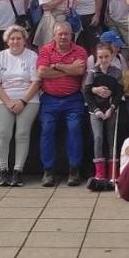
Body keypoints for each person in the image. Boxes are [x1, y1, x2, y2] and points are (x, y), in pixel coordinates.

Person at [37, 21, 87, 187]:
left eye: (67, 34)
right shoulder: (45, 50)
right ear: (54, 35)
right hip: (50, 98)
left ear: (72, 35)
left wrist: (57, 66)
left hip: (73, 99)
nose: (64, 37)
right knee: (47, 129)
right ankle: (48, 170)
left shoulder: (80, 50)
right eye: (60, 34)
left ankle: (74, 170)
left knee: (74, 128)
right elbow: (42, 72)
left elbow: (79, 71)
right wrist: (68, 68)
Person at [0, 25, 41, 187]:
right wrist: (9, 102)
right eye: (12, 38)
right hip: (5, 98)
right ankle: (3, 171)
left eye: (19, 38)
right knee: (3, 134)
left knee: (22, 133)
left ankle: (18, 171)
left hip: (28, 99)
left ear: (24, 40)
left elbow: (36, 82)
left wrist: (23, 101)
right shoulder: (0, 57)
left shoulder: (32, 56)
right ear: (7, 40)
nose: (15, 41)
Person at [84, 41, 124, 190]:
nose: (103, 60)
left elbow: (119, 93)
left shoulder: (116, 72)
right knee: (98, 137)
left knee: (111, 138)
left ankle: (113, 172)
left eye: (106, 56)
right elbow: (87, 93)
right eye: (100, 57)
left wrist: (112, 108)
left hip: (111, 110)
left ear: (112, 56)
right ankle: (100, 172)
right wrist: (96, 110)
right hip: (95, 111)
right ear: (96, 57)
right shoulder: (92, 73)